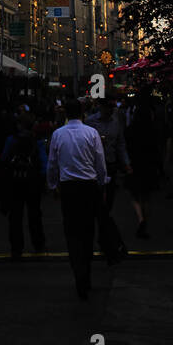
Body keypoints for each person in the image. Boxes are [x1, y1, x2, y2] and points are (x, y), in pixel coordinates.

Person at [46, 97, 108, 299]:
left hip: (69, 187)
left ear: (65, 113)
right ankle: (86, 274)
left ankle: (78, 272)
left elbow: (52, 162)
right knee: (88, 230)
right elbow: (100, 161)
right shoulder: (92, 133)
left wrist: (53, 185)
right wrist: (102, 182)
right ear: (82, 112)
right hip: (89, 186)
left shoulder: (58, 134)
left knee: (72, 232)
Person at [86, 95, 130, 263]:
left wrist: (126, 163)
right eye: (107, 107)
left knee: (105, 208)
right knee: (99, 208)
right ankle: (109, 243)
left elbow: (120, 144)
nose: (110, 110)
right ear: (100, 107)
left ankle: (105, 240)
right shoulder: (90, 122)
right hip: (94, 169)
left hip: (110, 166)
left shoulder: (115, 122)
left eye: (112, 108)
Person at [0, 113, 47, 259]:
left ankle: (16, 247)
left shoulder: (11, 140)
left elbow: (4, 159)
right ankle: (38, 244)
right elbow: (44, 161)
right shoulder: (36, 141)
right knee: (35, 214)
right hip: (32, 182)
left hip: (15, 181)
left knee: (15, 217)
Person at [124, 88, 160, 239]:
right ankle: (145, 220)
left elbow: (125, 145)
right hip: (149, 164)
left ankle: (140, 218)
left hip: (135, 163)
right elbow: (157, 148)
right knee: (147, 196)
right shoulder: (152, 129)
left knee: (134, 194)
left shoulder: (131, 129)